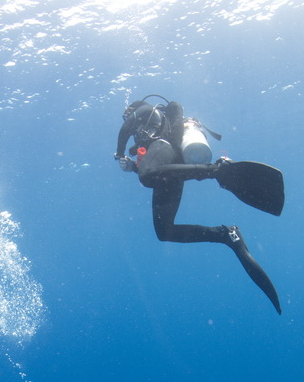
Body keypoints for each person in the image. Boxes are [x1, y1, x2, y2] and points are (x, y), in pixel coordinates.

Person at [114, 95, 286, 314]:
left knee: (146, 176)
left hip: (166, 150)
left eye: (126, 113)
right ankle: (226, 235)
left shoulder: (147, 110)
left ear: (132, 109)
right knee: (165, 231)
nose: (126, 117)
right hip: (171, 171)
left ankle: (217, 170)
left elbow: (128, 131)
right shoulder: (151, 127)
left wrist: (118, 152)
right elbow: (155, 170)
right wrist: (133, 168)